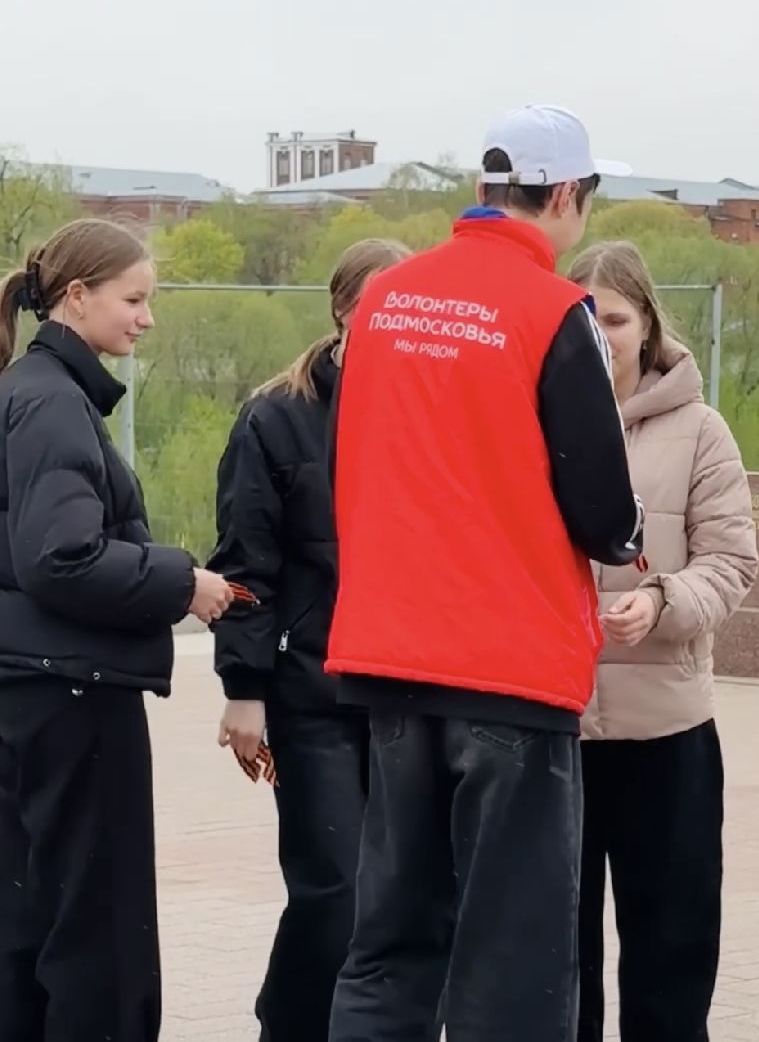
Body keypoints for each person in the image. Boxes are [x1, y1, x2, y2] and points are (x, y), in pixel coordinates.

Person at [324, 105, 646, 1042]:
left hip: (390, 657)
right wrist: (630, 544)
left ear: (482, 191)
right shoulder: (555, 312)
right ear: (564, 196)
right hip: (506, 669)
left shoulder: (385, 300)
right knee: (515, 952)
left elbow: (349, 464)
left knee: (389, 940)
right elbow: (601, 508)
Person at [0, 218, 234, 1042]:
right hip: (71, 697)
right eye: (134, 299)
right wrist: (185, 582)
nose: (146, 318)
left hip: (30, 687)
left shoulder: (27, 392)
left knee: (27, 922)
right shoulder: (53, 405)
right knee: (97, 928)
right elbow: (59, 559)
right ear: (77, 297)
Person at [206, 238, 410, 1042]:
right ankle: (289, 1025)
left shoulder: (433, 412)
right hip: (310, 694)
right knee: (336, 891)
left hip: (406, 694)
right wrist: (243, 692)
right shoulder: (274, 418)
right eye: (379, 305)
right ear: (344, 310)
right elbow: (244, 564)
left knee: (403, 895)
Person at [567, 242, 758, 1042]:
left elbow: (732, 561)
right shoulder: (531, 421)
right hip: (555, 729)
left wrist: (663, 600)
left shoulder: (701, 431)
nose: (600, 334)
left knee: (671, 952)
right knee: (554, 957)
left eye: (614, 317)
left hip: (667, 733)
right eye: (583, 318)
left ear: (646, 326)